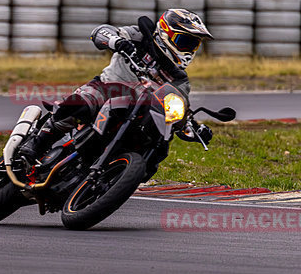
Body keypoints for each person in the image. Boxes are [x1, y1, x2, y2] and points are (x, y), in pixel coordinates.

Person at [18, 9, 214, 166]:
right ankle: (37, 142)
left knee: (160, 145)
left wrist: (191, 128)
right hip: (108, 88)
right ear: (166, 33)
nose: (189, 50)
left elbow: (177, 105)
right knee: (83, 103)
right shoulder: (140, 36)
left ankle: (116, 176)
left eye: (194, 45)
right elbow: (101, 32)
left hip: (140, 109)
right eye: (185, 41)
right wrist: (118, 42)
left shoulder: (180, 79)